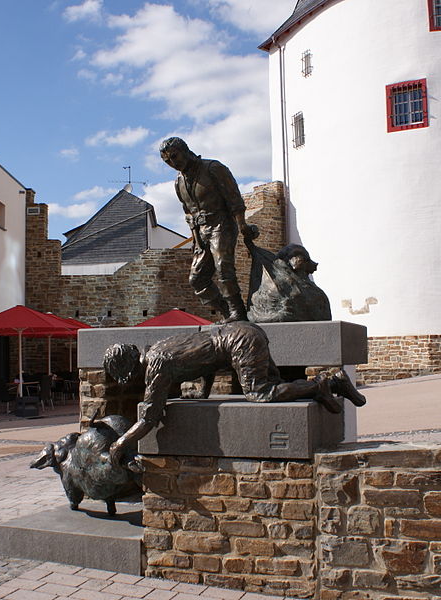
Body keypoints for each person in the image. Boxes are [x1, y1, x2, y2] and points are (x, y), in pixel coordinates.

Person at [103, 321, 366, 466]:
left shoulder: (156, 366)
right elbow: (203, 358)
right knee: (274, 383)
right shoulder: (158, 347)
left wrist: (120, 444)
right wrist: (203, 394)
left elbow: (149, 417)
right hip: (241, 331)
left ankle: (320, 385)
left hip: (238, 342)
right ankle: (335, 382)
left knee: (260, 392)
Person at [160, 137, 258, 322]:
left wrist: (242, 225)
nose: (173, 163)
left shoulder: (213, 168)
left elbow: (234, 198)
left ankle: (238, 312)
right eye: (168, 161)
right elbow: (188, 213)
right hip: (201, 231)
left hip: (221, 224)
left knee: (223, 267)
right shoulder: (178, 182)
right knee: (197, 279)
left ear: (186, 151)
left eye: (175, 156)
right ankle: (228, 313)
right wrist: (196, 240)